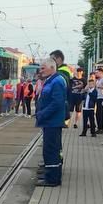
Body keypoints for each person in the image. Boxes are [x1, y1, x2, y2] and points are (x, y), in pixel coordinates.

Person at [35, 59, 67, 187]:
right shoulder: (52, 80)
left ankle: (52, 179)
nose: (41, 71)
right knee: (51, 149)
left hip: (52, 121)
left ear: (52, 68)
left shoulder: (57, 81)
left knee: (51, 150)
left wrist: (42, 114)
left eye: (43, 68)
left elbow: (57, 103)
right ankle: (51, 174)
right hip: (50, 121)